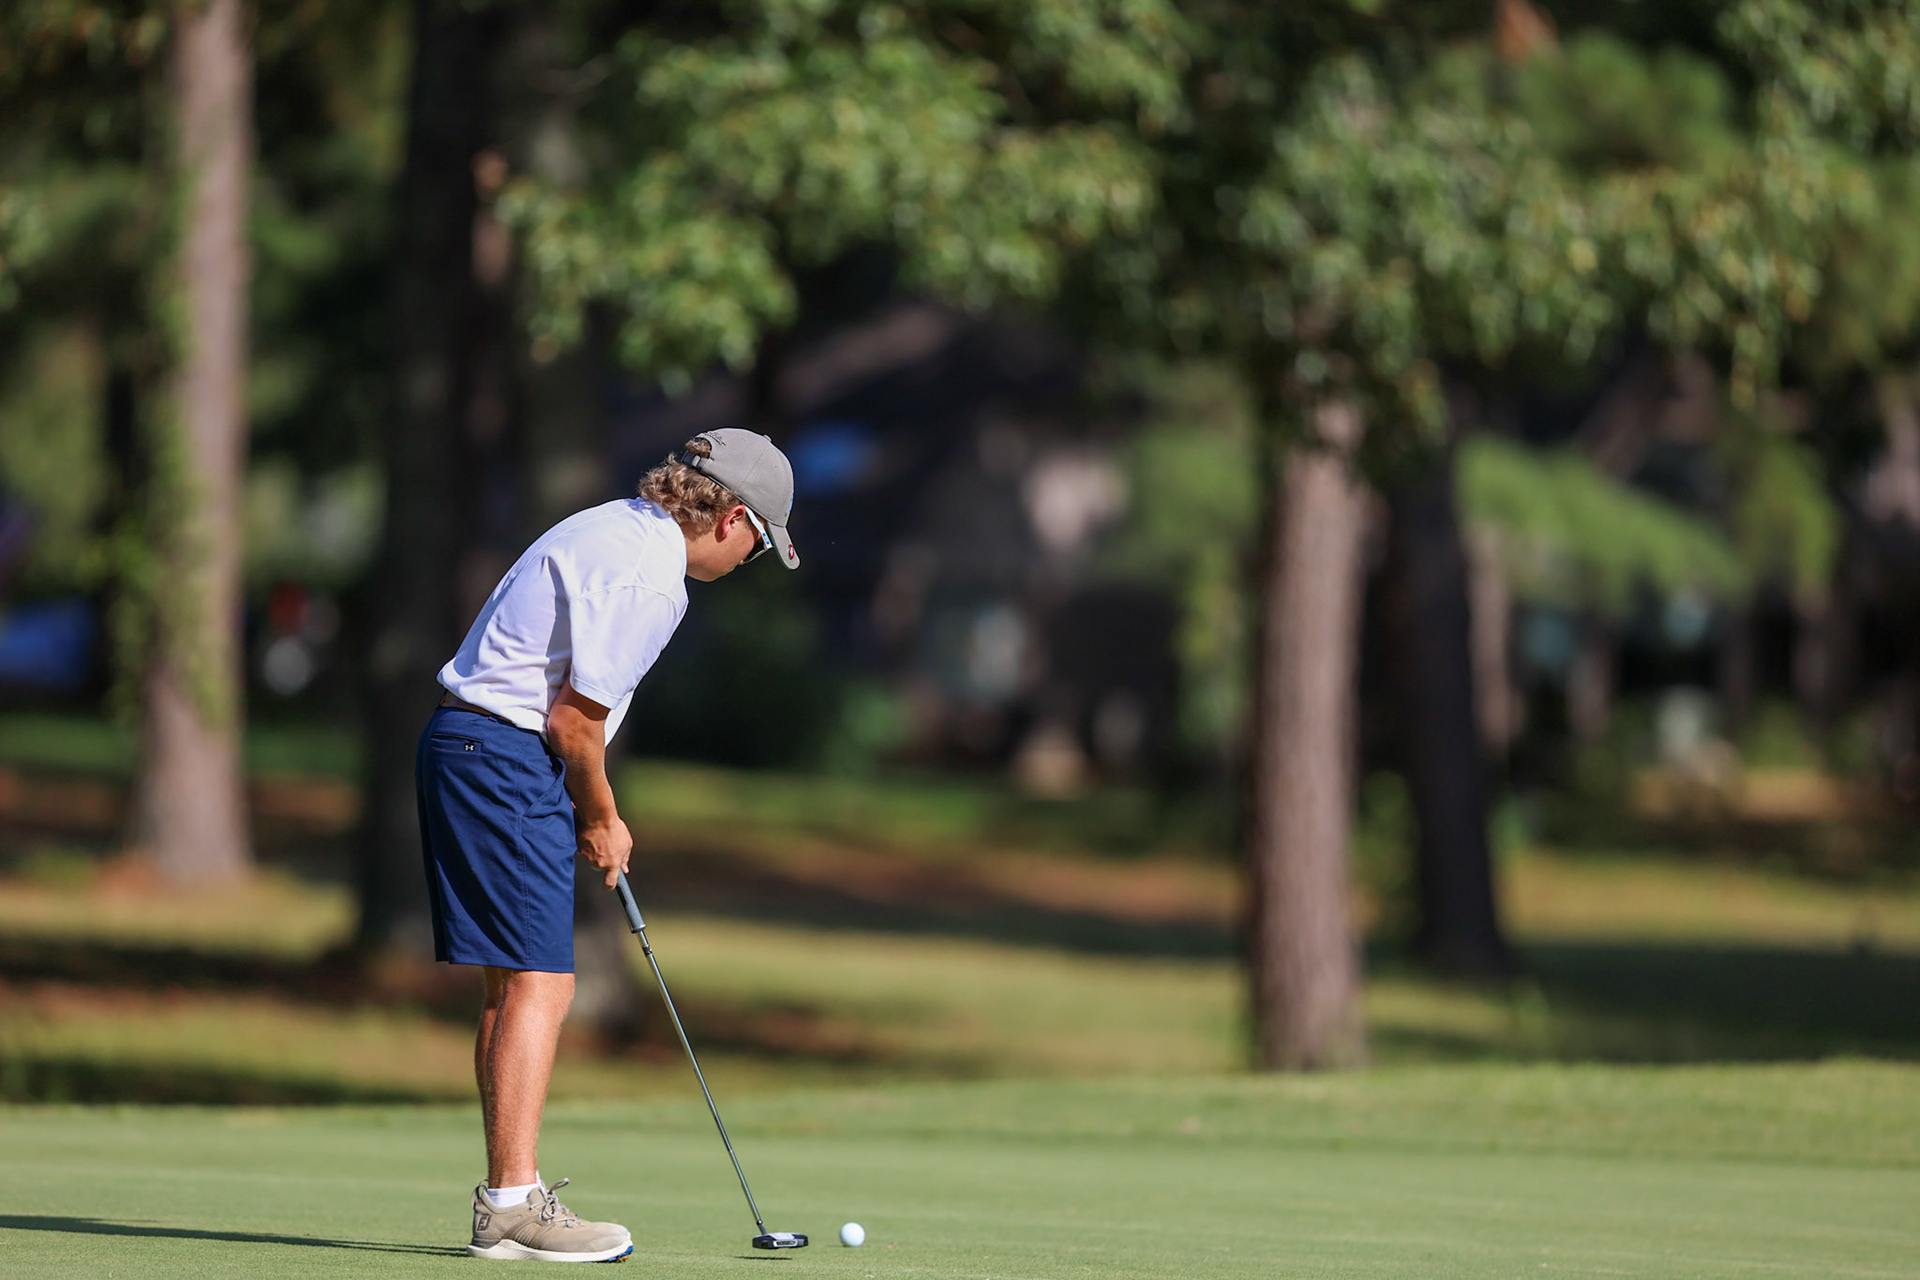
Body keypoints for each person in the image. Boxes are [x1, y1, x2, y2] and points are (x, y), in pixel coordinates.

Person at [416, 430, 799, 1262]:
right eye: (760, 545)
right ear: (733, 516)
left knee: (513, 984)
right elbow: (574, 724)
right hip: (508, 753)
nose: (749, 561)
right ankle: (515, 1204)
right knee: (543, 985)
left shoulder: (614, 524)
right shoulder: (651, 573)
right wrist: (602, 816)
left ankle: (505, 1204)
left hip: (469, 745)